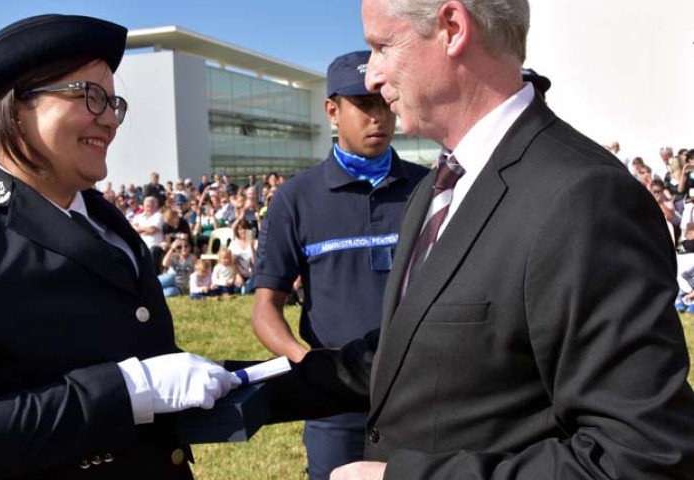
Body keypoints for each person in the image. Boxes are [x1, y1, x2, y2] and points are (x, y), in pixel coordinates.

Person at [265, 2, 694, 479]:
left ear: (451, 28)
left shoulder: (583, 197)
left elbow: (641, 457)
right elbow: (406, 350)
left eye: (383, 46)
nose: (372, 77)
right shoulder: (437, 186)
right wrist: (236, 385)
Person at [0, 15, 238, 480]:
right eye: (90, 95)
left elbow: (152, 363)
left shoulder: (106, 222)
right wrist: (128, 390)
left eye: (113, 102)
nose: (109, 118)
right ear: (18, 107)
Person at [252, 50, 428, 480]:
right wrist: (307, 361)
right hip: (337, 405)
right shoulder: (295, 199)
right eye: (364, 105)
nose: (379, 117)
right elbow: (265, 307)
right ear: (332, 111)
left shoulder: (429, 188)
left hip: (420, 395)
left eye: (385, 102)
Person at [228, 219, 255, 295]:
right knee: (236, 288)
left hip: (251, 275)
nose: (242, 231)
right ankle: (245, 288)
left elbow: (255, 263)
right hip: (238, 274)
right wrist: (237, 275)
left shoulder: (255, 243)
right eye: (240, 229)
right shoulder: (234, 243)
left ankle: (246, 288)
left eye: (245, 228)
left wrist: (251, 247)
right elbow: (231, 262)